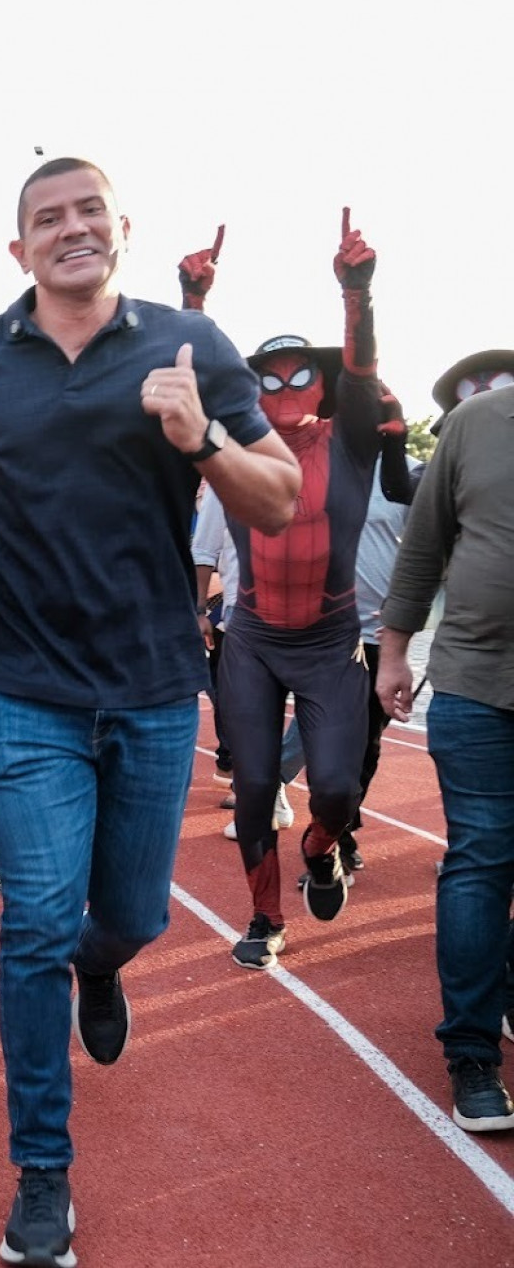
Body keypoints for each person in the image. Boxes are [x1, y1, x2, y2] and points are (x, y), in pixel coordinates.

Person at [0, 158, 299, 1266]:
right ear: (18, 248)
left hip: (150, 686)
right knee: (31, 917)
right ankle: (44, 1168)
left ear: (121, 229)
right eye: (48, 218)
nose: (71, 229)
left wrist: (204, 442)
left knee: (130, 913)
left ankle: (106, 959)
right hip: (25, 686)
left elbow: (273, 501)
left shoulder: (193, 349)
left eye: (89, 212)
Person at [181, 214, 388, 969]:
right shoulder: (231, 447)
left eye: (302, 374)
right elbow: (191, 379)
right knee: (256, 782)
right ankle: (265, 916)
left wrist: (356, 291)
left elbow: (363, 372)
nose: (286, 388)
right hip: (255, 640)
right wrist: (191, 303)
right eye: (268, 379)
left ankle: (323, 845)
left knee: (336, 787)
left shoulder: (350, 440)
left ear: (323, 384)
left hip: (332, 641)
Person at [375, 379, 514, 1133]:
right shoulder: (476, 422)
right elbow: (422, 544)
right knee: (482, 856)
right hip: (476, 681)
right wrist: (392, 654)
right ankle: (471, 1051)